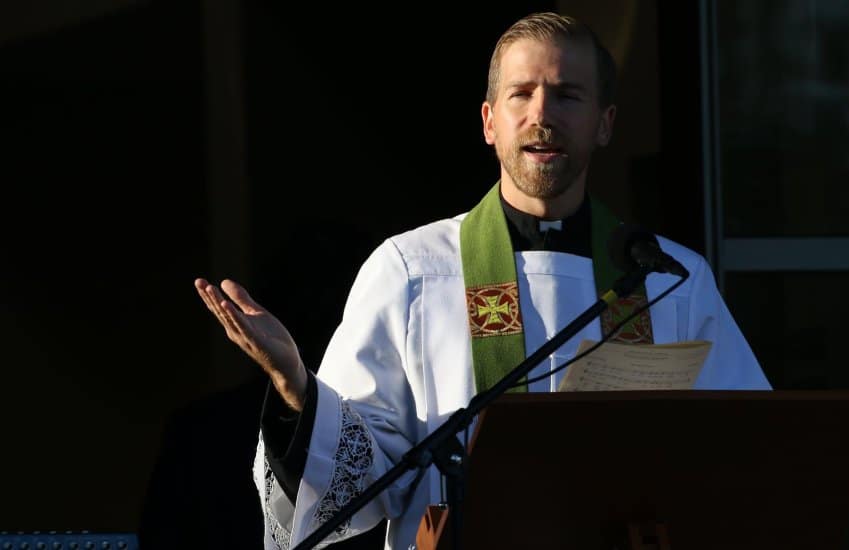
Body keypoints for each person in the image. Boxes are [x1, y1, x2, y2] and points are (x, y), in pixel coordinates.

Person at [194, 11, 771, 550]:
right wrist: (298, 386)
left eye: (568, 95)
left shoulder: (668, 277)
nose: (541, 114)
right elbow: (364, 483)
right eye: (521, 94)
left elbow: (742, 451)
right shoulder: (413, 270)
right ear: (490, 122)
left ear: (604, 123)